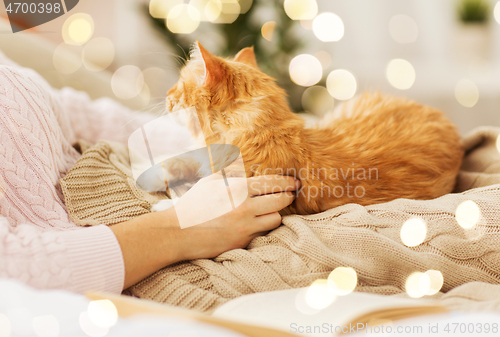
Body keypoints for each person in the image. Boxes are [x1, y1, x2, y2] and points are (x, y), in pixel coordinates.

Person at [0, 51, 299, 293]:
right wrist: (184, 229)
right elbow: (14, 265)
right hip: (128, 250)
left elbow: (71, 113)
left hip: (145, 188)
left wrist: (234, 143)